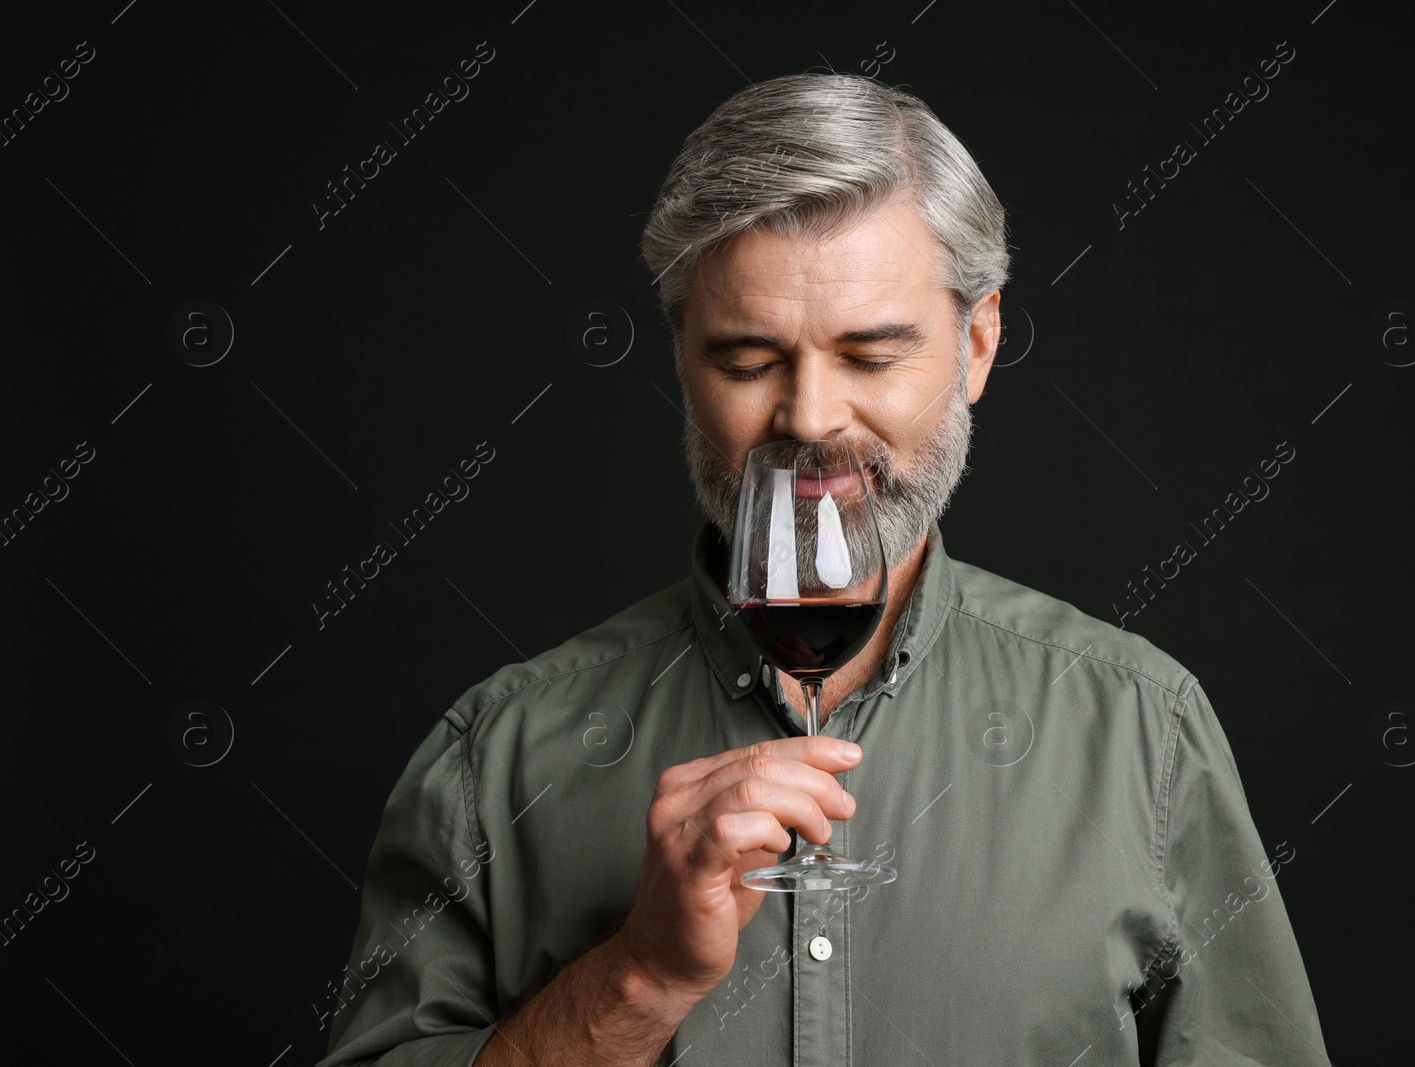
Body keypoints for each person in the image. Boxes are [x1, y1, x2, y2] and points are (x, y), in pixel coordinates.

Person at [317, 72, 1328, 1067]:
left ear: (976, 345)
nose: (807, 419)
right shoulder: (494, 759)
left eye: (871, 357)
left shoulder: (1143, 731)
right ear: (680, 357)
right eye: (748, 361)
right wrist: (639, 977)